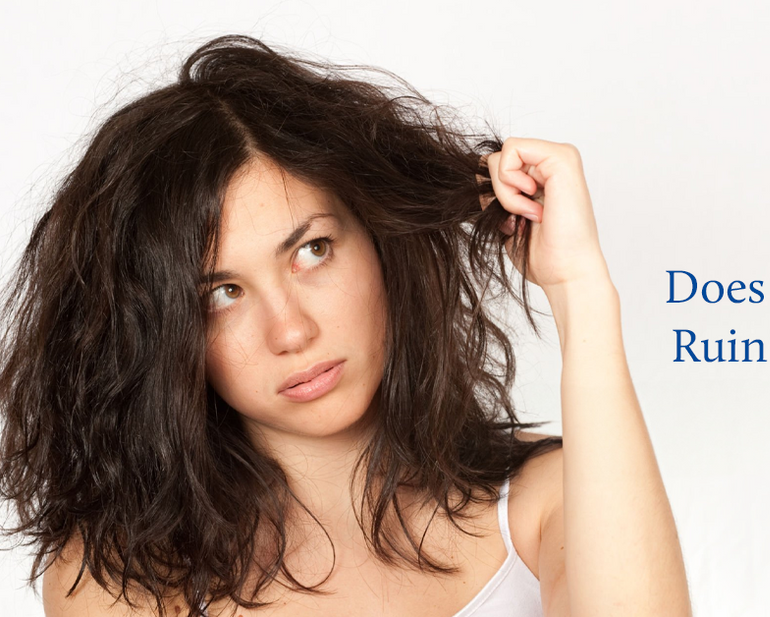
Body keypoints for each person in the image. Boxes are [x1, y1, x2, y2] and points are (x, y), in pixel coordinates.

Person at [0, 35, 690, 616]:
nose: (291, 330)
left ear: (377, 236)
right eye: (221, 293)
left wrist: (580, 289)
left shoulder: (545, 501)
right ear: (158, 335)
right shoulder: (122, 578)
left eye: (312, 250)